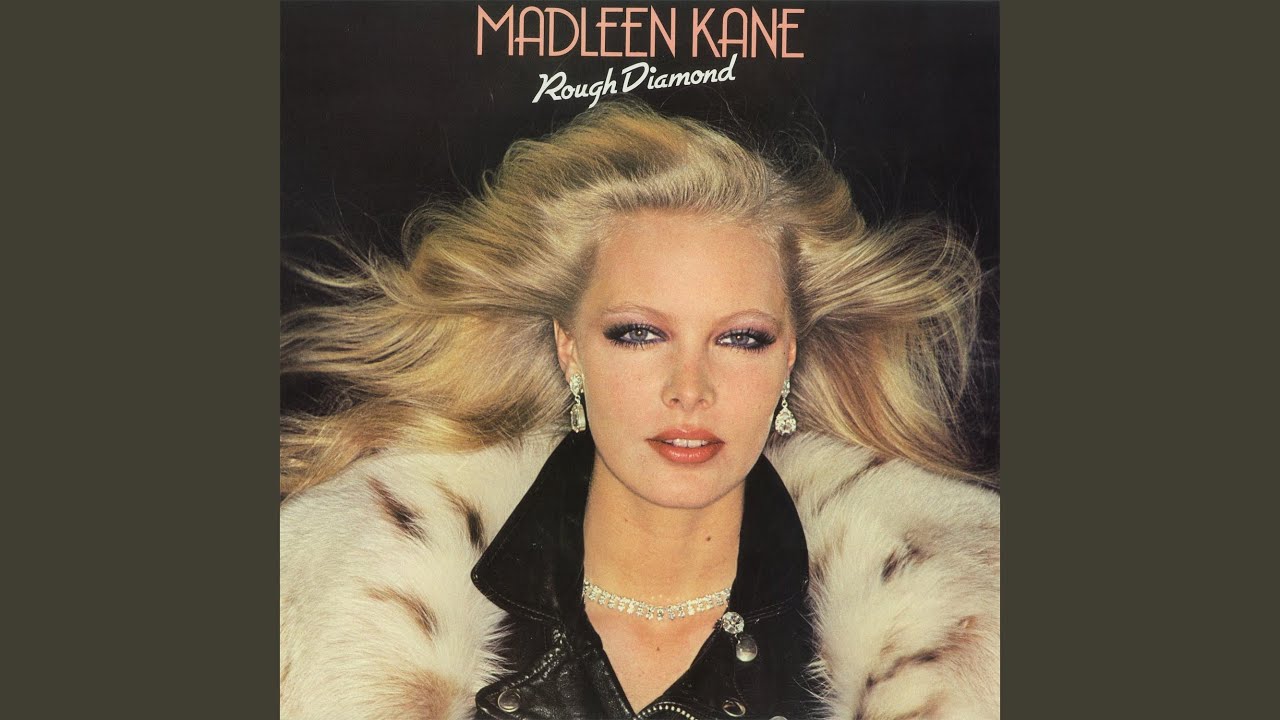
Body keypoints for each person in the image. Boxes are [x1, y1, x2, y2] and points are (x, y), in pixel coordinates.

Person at [279, 101, 999, 720]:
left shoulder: (973, 626)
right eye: (638, 334)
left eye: (741, 338)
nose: (690, 388)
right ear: (569, 350)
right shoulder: (334, 608)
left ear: (788, 357)